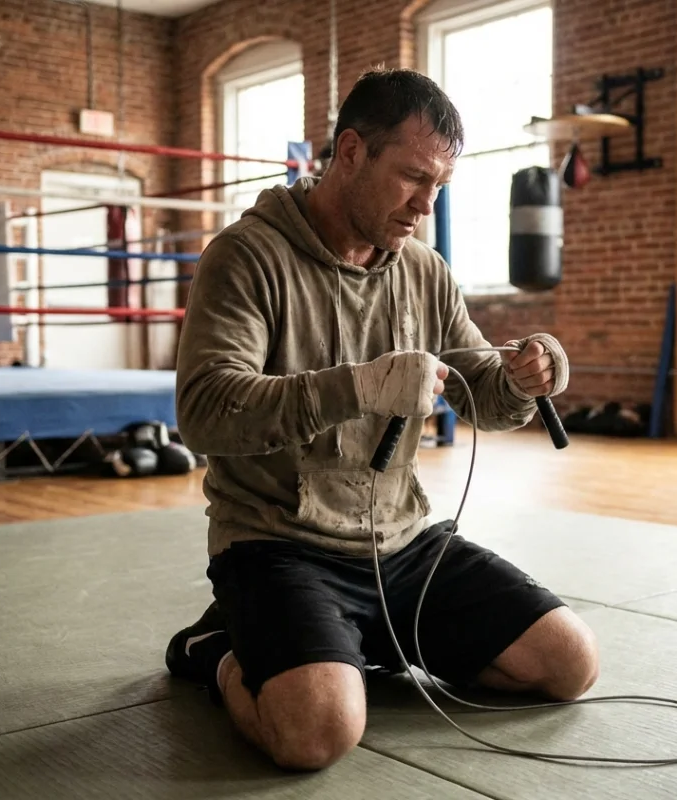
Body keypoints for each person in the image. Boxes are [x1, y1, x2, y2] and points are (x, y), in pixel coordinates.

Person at [167, 67, 599, 772]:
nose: (425, 205)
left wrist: (530, 374)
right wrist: (359, 388)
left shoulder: (423, 270)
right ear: (350, 153)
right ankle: (218, 649)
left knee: (569, 664)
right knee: (317, 734)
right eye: (412, 178)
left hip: (402, 543)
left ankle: (362, 641)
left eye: (440, 187)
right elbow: (206, 414)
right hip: (278, 542)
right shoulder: (246, 257)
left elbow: (484, 395)